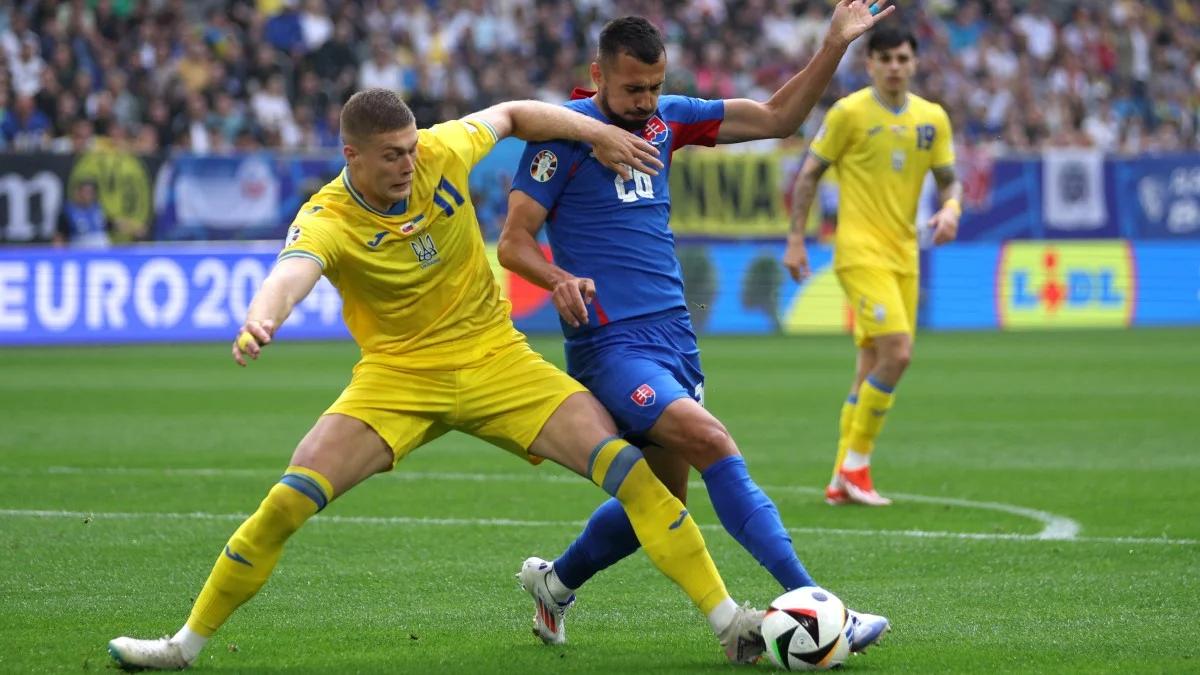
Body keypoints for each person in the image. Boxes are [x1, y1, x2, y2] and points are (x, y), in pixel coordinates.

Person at [106, 88, 770, 670]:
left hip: (496, 359)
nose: (408, 162)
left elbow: (512, 114)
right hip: (398, 376)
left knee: (632, 472)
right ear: (351, 154)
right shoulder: (328, 217)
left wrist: (592, 129)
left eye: (410, 146)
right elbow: (293, 272)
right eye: (391, 154)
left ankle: (730, 623)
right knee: (287, 499)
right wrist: (261, 316)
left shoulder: (441, 149)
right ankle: (182, 646)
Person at [498, 1, 893, 655]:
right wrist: (557, 279)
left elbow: (778, 117)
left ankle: (556, 582)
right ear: (598, 74)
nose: (645, 100)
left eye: (654, 86)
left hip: (675, 340)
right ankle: (822, 607)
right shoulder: (563, 137)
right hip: (609, 344)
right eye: (632, 88)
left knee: (657, 498)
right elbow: (513, 242)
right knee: (713, 441)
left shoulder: (666, 121)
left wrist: (833, 45)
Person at [783, 26, 961, 506]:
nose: (895, 67)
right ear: (871, 64)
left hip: (906, 255)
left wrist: (951, 210)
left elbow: (949, 181)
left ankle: (840, 480)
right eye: (885, 59)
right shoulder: (849, 113)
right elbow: (809, 174)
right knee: (898, 354)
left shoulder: (933, 118)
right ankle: (857, 466)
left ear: (914, 62)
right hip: (859, 251)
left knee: (870, 363)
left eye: (903, 58)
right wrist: (797, 238)